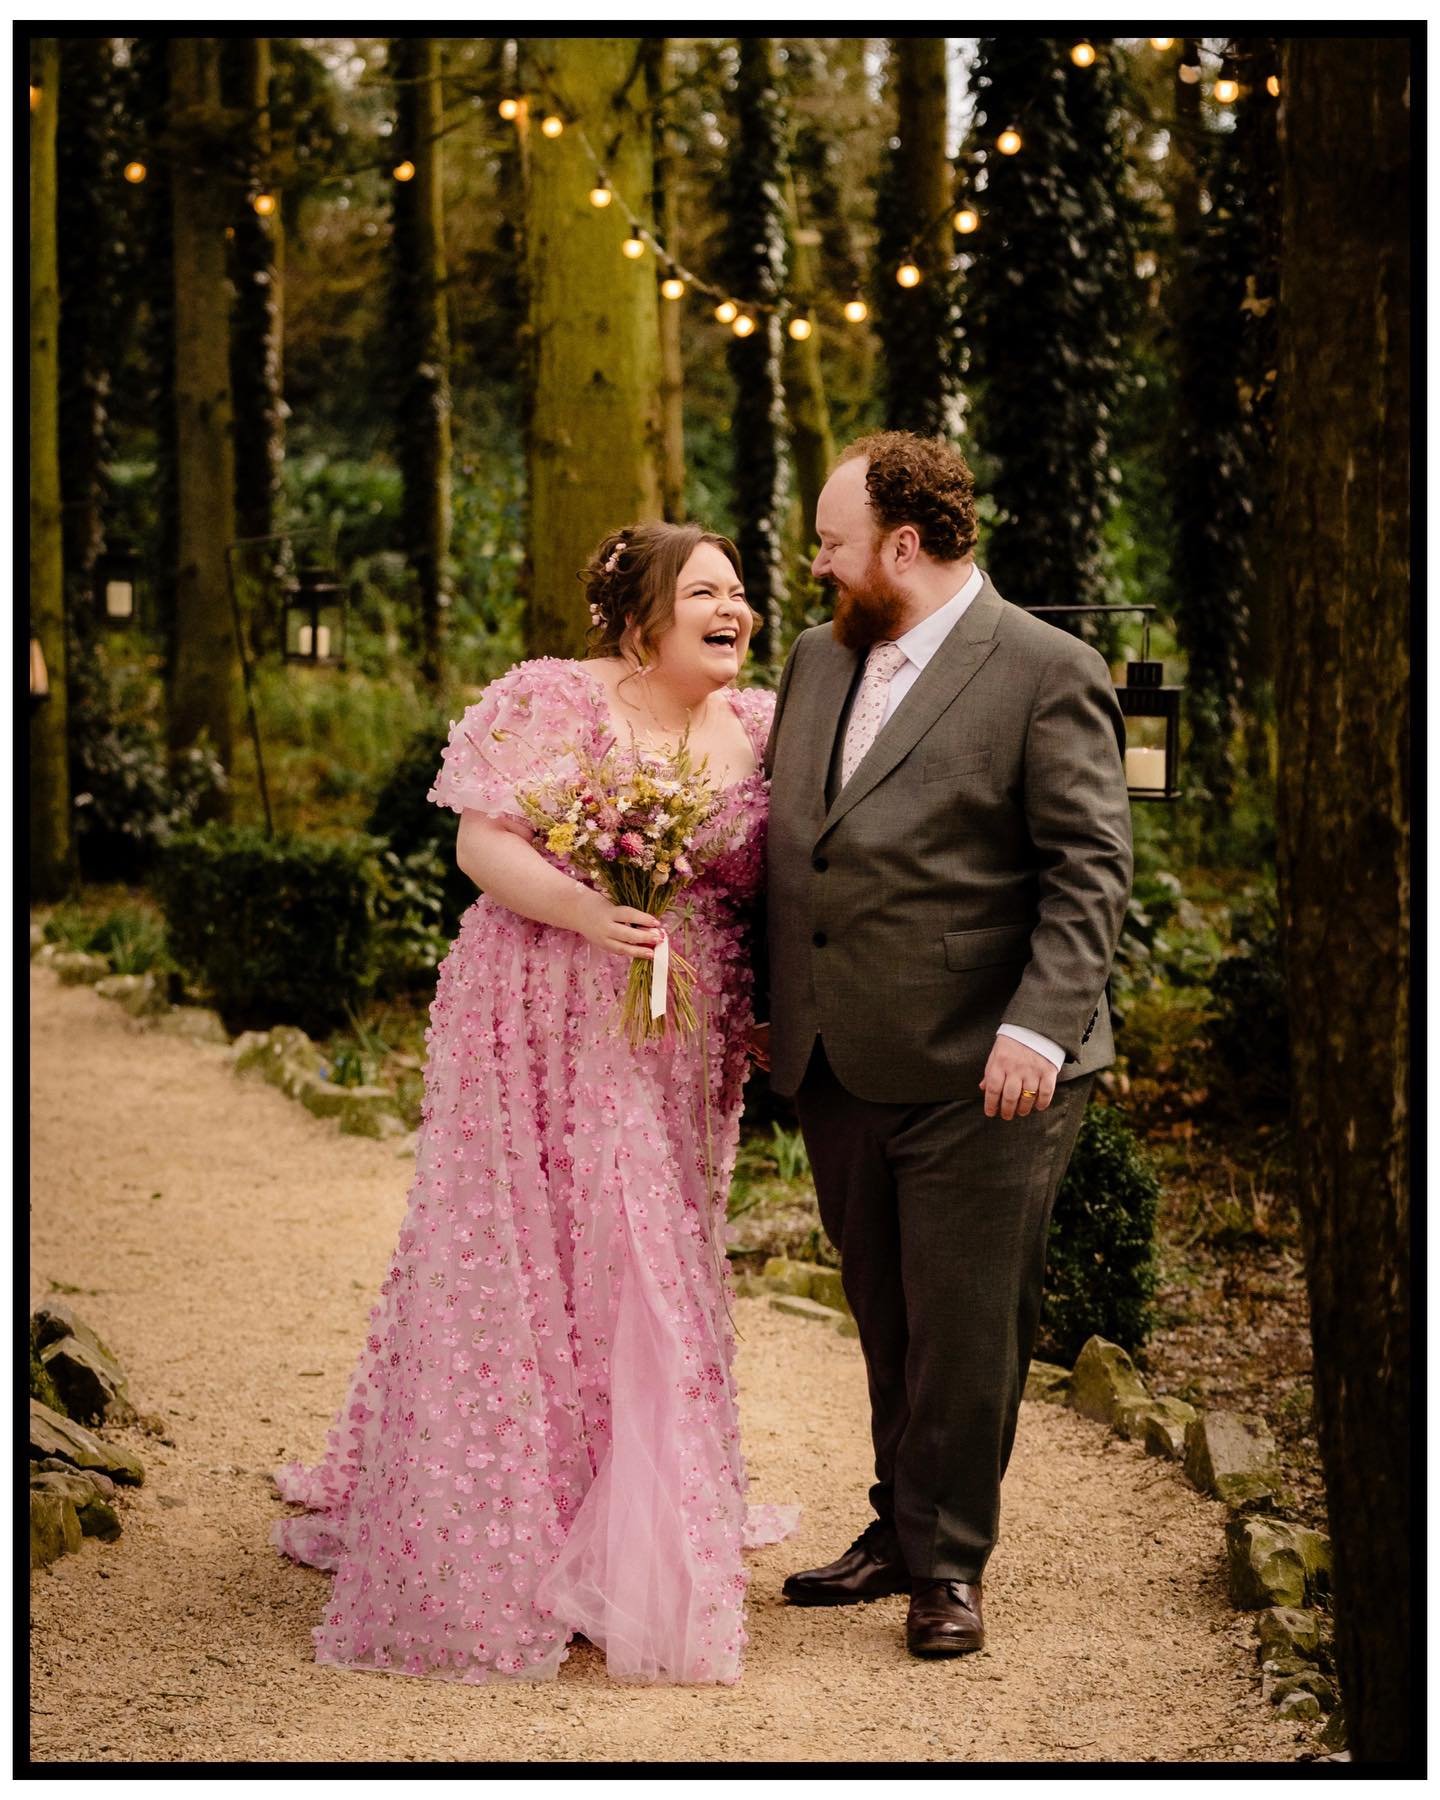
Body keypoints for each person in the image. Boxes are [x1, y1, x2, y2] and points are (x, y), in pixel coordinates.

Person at [272, 520, 796, 1686]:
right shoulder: (555, 698)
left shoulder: (760, 726)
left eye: (743, 591)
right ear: (642, 615)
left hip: (681, 1029)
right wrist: (586, 912)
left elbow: (780, 888)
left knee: (653, 1247)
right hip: (541, 1005)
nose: (738, 609)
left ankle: (633, 1507)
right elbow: (477, 844)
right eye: (708, 591)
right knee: (561, 1246)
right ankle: (547, 1518)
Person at [757, 431, 1133, 1659]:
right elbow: (799, 848)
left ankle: (950, 1568)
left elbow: (1090, 872)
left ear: (901, 546)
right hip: (837, 1059)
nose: (815, 564)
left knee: (968, 1328)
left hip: (992, 1070)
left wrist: (1038, 1026)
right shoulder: (820, 660)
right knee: (888, 1318)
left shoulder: (1044, 667)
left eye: (831, 542)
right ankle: (898, 1530)